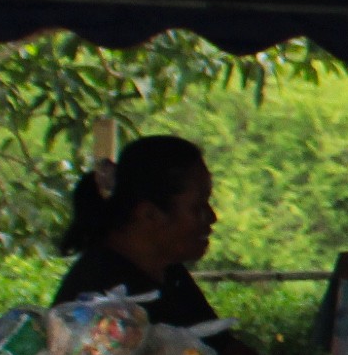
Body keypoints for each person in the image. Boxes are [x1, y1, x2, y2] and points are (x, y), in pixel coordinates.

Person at [53, 135, 228, 330]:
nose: (212, 217)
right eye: (198, 206)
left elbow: (224, 347)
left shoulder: (170, 273)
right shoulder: (99, 298)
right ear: (149, 214)